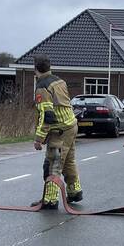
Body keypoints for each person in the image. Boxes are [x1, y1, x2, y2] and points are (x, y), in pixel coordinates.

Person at [30, 55, 81, 209]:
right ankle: (74, 191)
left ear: (35, 69)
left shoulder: (42, 87)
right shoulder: (59, 81)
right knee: (69, 161)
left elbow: (47, 116)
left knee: (53, 163)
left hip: (59, 131)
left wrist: (39, 138)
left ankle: (50, 200)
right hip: (71, 126)